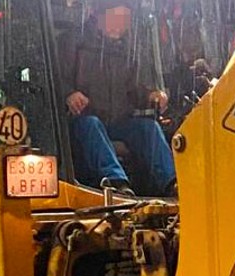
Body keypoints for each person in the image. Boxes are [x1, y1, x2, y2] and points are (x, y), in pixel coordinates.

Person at [57, 5, 177, 196]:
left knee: (149, 129)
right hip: (81, 121)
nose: (121, 25)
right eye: (117, 18)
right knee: (92, 124)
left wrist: (150, 95)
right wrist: (69, 94)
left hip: (117, 122)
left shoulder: (126, 50)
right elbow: (52, 78)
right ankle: (116, 182)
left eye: (125, 20)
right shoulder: (73, 43)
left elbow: (134, 89)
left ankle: (172, 184)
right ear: (100, 15)